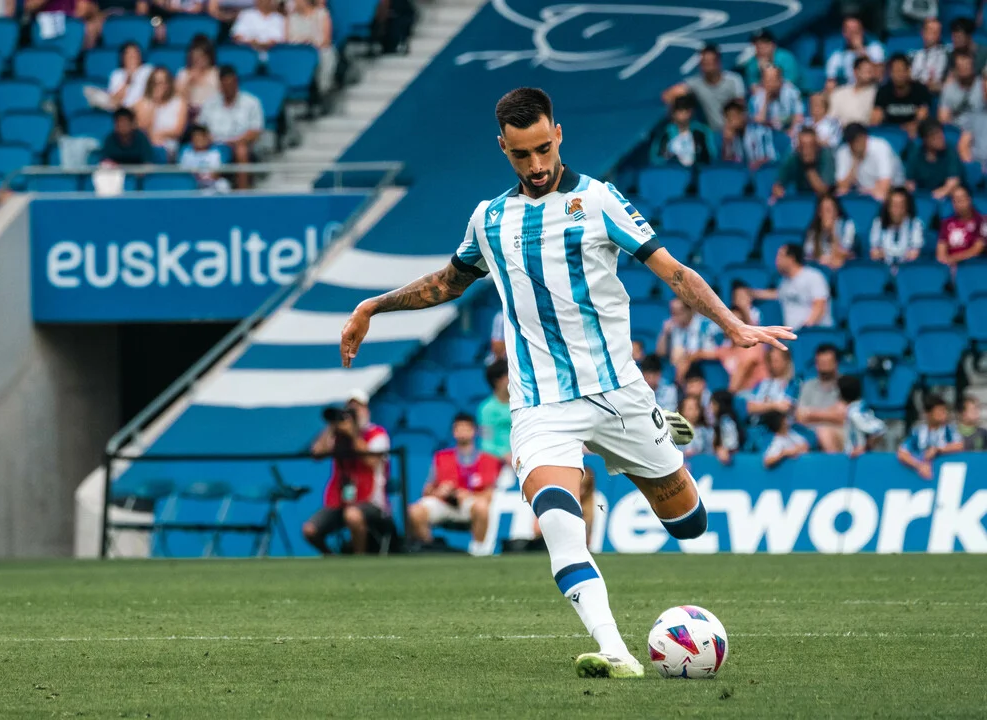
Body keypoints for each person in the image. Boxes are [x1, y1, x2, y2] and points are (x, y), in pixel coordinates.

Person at [338, 87, 794, 679]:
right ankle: (615, 650)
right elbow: (448, 283)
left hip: (619, 392)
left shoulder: (598, 200)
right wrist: (373, 305)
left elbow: (673, 270)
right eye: (520, 154)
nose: (535, 165)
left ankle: (656, 433)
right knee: (558, 519)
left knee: (690, 523)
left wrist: (732, 325)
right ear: (503, 148)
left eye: (543, 149)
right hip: (541, 403)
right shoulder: (489, 218)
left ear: (558, 135)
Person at [304, 390, 392, 554]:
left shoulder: (377, 434)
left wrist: (353, 435)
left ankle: (358, 559)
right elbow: (316, 453)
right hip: (340, 500)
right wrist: (331, 426)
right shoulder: (337, 436)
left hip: (371, 500)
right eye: (350, 408)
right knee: (310, 530)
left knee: (352, 515)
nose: (354, 412)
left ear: (366, 410)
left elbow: (371, 461)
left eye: (358, 408)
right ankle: (332, 558)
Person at [407, 413, 503, 556]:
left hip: (469, 503)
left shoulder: (487, 459)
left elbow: (489, 495)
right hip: (444, 502)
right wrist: (439, 492)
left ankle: (478, 551)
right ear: (453, 432)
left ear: (474, 431)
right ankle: (429, 548)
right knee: (414, 511)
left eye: (466, 428)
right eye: (459, 428)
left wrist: (467, 495)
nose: (463, 432)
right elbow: (426, 491)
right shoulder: (441, 457)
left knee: (482, 507)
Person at [198, 65, 264, 189]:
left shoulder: (251, 102)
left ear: (236, 82)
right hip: (214, 145)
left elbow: (255, 131)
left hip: (239, 144)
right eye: (225, 84)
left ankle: (242, 192)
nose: (229, 87)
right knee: (196, 147)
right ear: (220, 85)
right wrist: (208, 139)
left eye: (231, 83)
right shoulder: (210, 104)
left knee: (241, 150)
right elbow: (201, 128)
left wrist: (235, 141)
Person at [661, 44, 745, 131]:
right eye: (703, 63)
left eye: (709, 63)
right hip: (713, 132)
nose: (706, 67)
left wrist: (731, 127)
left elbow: (741, 108)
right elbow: (668, 95)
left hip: (735, 130)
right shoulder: (696, 83)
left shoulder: (734, 80)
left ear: (718, 62)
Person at [751, 244, 833, 328]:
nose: (776, 260)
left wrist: (806, 328)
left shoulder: (813, 276)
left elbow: (820, 305)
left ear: (791, 258)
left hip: (813, 332)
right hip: (793, 333)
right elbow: (776, 294)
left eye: (780, 256)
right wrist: (750, 293)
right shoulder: (784, 281)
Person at [656, 297, 724, 382]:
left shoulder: (706, 324)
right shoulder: (671, 327)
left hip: (707, 369)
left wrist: (696, 355)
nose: (675, 316)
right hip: (678, 370)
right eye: (672, 312)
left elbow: (723, 350)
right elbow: (660, 353)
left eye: (679, 312)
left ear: (689, 310)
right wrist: (664, 333)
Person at [897, 394, 963, 480]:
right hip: (924, 478)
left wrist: (938, 450)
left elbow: (960, 445)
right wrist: (919, 465)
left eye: (944, 410)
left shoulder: (949, 430)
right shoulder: (918, 432)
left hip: (948, 475)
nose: (944, 414)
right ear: (928, 414)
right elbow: (902, 453)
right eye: (939, 411)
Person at [796, 344, 846, 452]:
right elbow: (800, 417)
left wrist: (811, 413)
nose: (823, 367)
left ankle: (833, 462)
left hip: (840, 432)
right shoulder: (808, 385)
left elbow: (843, 417)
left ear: (836, 363)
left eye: (827, 363)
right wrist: (831, 413)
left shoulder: (846, 384)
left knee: (824, 432)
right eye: (821, 363)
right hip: (810, 433)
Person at [834, 122, 903, 201]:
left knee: (881, 195)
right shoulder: (843, 151)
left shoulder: (881, 147)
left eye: (857, 140)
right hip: (862, 192)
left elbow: (885, 185)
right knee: (840, 194)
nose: (854, 145)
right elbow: (842, 187)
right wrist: (855, 162)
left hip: (892, 189)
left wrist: (867, 191)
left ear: (865, 137)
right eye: (851, 142)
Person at [134, 66, 187, 160]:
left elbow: (178, 131)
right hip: (147, 144)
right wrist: (154, 104)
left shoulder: (179, 102)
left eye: (162, 82)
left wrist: (160, 134)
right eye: (155, 83)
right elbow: (142, 127)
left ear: (169, 83)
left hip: (169, 146)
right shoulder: (142, 102)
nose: (159, 87)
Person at [871, 54, 930, 138]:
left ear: (908, 71)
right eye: (895, 71)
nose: (899, 75)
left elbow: (923, 116)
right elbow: (875, 118)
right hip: (890, 133)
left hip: (914, 133)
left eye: (901, 70)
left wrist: (914, 125)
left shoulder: (920, 90)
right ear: (890, 73)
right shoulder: (883, 91)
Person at [770, 127, 835, 201]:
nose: (807, 150)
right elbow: (779, 183)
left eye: (810, 145)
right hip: (801, 199)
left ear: (817, 146)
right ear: (798, 147)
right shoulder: (794, 157)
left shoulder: (826, 155)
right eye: (803, 146)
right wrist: (778, 189)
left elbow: (824, 191)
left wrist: (809, 166)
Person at [649, 96, 715, 167]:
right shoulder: (664, 133)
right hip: (672, 170)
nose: (683, 114)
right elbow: (656, 158)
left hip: (698, 169)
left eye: (686, 111)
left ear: (691, 112)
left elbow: (711, 155)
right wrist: (671, 158)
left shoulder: (702, 131)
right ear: (673, 113)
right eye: (680, 111)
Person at [288, 0, 336, 95]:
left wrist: (312, 44)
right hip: (298, 50)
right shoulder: (292, 17)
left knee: (326, 53)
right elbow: (288, 39)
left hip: (318, 49)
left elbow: (326, 40)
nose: (294, 2)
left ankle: (323, 88)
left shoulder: (322, 14)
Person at [905, 119, 963, 199]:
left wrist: (936, 196)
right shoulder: (916, 153)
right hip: (924, 195)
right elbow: (910, 182)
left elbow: (953, 181)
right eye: (935, 137)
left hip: (947, 196)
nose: (941, 140)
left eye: (941, 135)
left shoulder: (950, 151)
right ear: (925, 140)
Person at [870, 186, 924, 268]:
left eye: (901, 205)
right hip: (884, 268)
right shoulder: (878, 223)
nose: (897, 209)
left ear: (907, 206)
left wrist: (887, 255)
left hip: (906, 270)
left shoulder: (915, 224)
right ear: (888, 206)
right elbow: (874, 253)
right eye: (894, 205)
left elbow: (914, 254)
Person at [825, 15, 885, 89]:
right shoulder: (837, 56)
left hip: (873, 88)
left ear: (862, 31)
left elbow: (879, 76)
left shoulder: (875, 48)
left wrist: (860, 49)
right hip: (849, 91)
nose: (853, 34)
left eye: (856, 30)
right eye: (849, 31)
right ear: (844, 33)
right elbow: (830, 82)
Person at [937, 184, 987, 268]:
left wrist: (952, 260)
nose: (958, 203)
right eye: (955, 200)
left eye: (961, 199)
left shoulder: (981, 221)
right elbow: (941, 251)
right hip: (949, 266)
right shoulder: (946, 223)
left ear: (969, 199)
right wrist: (946, 263)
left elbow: (977, 249)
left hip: (972, 266)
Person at [723, 306, 768, 393]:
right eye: (730, 322)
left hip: (758, 392)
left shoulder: (752, 342)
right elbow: (703, 353)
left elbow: (745, 366)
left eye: (738, 321)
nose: (734, 326)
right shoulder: (726, 349)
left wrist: (729, 395)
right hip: (740, 394)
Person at [720, 99, 777, 168]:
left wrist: (753, 165)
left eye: (732, 117)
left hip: (765, 170)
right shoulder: (733, 135)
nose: (730, 122)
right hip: (744, 172)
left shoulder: (760, 131)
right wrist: (727, 142)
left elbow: (769, 159)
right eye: (728, 118)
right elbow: (727, 163)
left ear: (743, 115)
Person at [804, 194, 855, 269]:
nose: (828, 214)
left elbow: (843, 254)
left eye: (831, 210)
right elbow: (809, 255)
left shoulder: (847, 226)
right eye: (824, 210)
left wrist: (833, 232)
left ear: (837, 211)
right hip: (820, 267)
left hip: (841, 266)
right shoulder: (813, 230)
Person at [840, 374, 886, 457]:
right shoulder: (859, 407)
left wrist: (865, 447)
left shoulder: (855, 413)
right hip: (851, 456)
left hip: (858, 459)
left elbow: (880, 428)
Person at [749, 65, 804, 134]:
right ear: (762, 81)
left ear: (780, 80)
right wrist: (766, 100)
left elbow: (799, 117)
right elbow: (759, 121)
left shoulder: (792, 92)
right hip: (767, 134)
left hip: (789, 132)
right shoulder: (756, 97)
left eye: (773, 80)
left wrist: (790, 132)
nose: (771, 84)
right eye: (767, 80)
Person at [746, 347, 798, 418]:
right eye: (770, 361)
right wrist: (774, 406)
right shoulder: (762, 383)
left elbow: (786, 407)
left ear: (786, 361)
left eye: (776, 361)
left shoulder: (793, 384)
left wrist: (763, 406)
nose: (772, 364)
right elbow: (750, 407)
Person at [477, 358, 512, 463]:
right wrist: (504, 454)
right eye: (509, 376)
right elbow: (486, 444)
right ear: (498, 381)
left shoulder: (522, 405)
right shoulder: (486, 409)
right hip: (501, 462)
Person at [828, 57, 879, 127]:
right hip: (839, 131)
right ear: (855, 72)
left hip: (863, 131)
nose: (870, 74)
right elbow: (831, 118)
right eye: (867, 71)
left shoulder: (877, 94)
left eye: (871, 71)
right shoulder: (839, 92)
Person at [175, 36, 220, 116]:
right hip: (188, 114)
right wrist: (188, 82)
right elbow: (177, 99)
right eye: (196, 58)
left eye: (202, 57)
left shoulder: (216, 73)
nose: (199, 61)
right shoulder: (183, 73)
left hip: (212, 113)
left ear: (209, 57)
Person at [179, 124, 229, 191]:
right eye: (197, 138)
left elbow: (217, 171)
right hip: (193, 183)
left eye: (202, 137)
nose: (199, 140)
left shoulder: (215, 153)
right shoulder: (187, 153)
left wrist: (208, 177)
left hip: (212, 182)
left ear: (207, 138)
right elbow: (184, 172)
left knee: (223, 184)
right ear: (192, 140)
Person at [107, 41, 152, 110]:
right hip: (122, 111)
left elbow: (151, 95)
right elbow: (113, 101)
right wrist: (127, 81)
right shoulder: (117, 74)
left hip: (142, 109)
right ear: (123, 57)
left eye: (135, 53)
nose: (133, 56)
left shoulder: (148, 69)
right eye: (129, 54)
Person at [909, 17, 948, 93]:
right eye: (931, 30)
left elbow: (936, 84)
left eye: (937, 32)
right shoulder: (917, 55)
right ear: (923, 32)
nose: (934, 34)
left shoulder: (944, 55)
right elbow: (910, 78)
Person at [711, 389, 743, 465]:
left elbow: (732, 441)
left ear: (721, 405)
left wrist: (725, 450)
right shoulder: (719, 420)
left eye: (714, 404)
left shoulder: (726, 420)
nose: (711, 406)